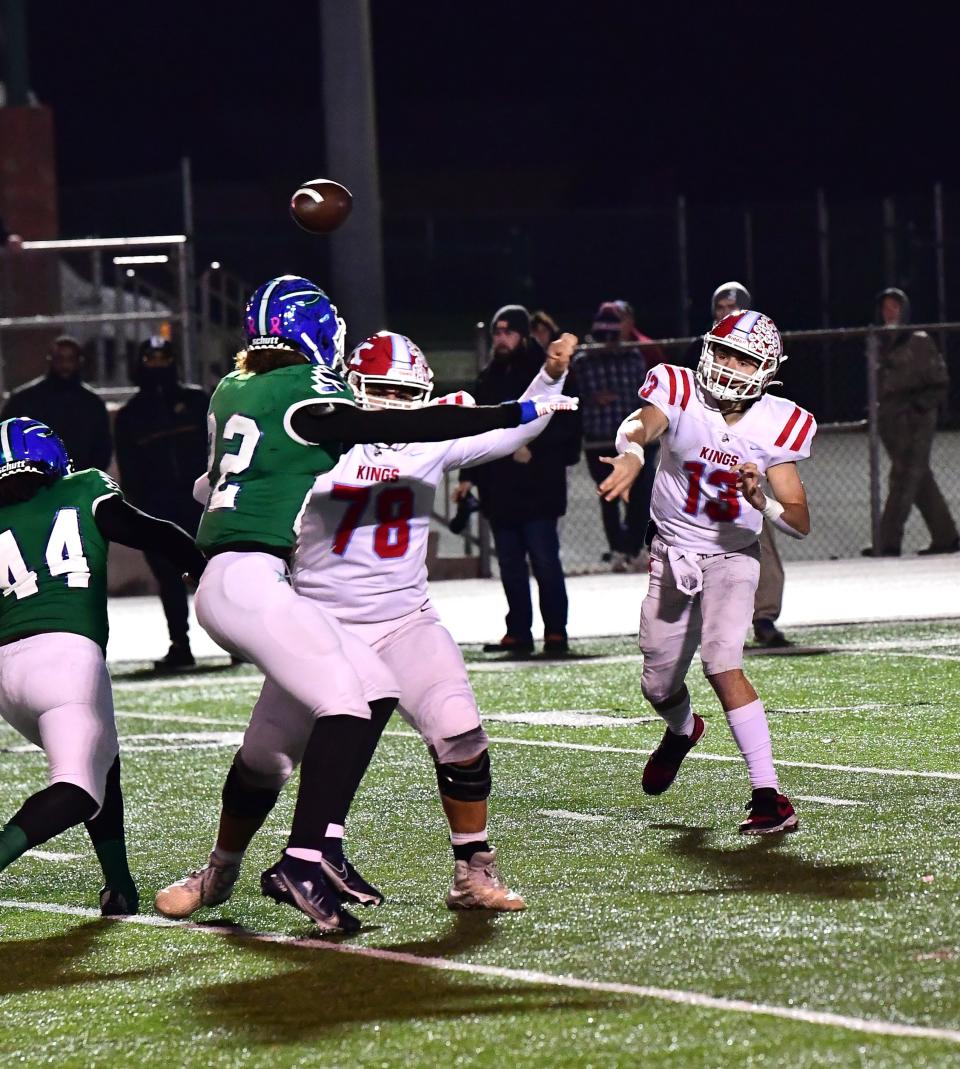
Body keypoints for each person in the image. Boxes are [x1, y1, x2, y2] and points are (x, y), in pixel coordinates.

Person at [153, 276, 577, 932]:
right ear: (350, 385)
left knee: (460, 732)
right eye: (380, 393)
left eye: (406, 397)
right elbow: (217, 481)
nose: (392, 408)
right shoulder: (316, 434)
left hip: (404, 618)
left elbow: (510, 430)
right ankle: (221, 870)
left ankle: (472, 869)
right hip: (317, 613)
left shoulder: (424, 434)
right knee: (263, 761)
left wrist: (548, 380)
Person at [598, 310, 815, 833]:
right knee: (657, 685)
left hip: (733, 556)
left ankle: (769, 795)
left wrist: (760, 499)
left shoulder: (776, 422)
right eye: (723, 350)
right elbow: (641, 423)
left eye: (743, 357)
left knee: (721, 661)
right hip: (671, 553)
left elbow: (800, 521)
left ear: (765, 369)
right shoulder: (677, 387)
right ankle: (681, 730)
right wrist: (629, 452)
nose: (728, 364)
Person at [0, 417, 205, 913]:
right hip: (68, 661)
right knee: (76, 787)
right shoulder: (83, 486)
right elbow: (149, 531)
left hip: (6, 673)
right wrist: (200, 563)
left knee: (101, 760)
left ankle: (119, 886)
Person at [454, 304, 581, 656]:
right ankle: (519, 632)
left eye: (508, 332)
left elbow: (570, 427)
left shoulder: (545, 372)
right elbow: (474, 428)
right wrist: (467, 476)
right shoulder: (489, 375)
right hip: (500, 488)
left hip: (538, 488)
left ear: (523, 335)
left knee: (544, 560)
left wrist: (534, 449)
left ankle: (556, 632)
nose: (501, 338)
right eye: (497, 332)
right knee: (509, 563)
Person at [114, 337, 209, 670]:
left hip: (199, 503)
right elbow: (129, 469)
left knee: (219, 573)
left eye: (162, 358)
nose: (157, 365)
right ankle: (180, 644)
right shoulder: (131, 415)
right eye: (150, 359)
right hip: (158, 507)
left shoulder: (197, 402)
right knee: (169, 579)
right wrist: (139, 512)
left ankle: (239, 643)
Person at [862, 287, 958, 557]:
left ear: (905, 310)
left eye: (895, 307)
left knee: (903, 479)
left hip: (916, 422)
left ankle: (888, 542)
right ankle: (947, 536)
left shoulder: (918, 340)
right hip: (891, 423)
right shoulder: (879, 340)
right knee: (919, 479)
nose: (889, 312)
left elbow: (939, 382)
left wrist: (919, 407)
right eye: (886, 307)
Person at [568, 300, 660, 572]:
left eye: (612, 336)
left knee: (641, 494)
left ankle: (634, 548)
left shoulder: (635, 355)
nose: (607, 343)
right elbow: (577, 395)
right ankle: (618, 548)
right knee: (609, 493)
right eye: (602, 337)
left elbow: (644, 393)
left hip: (635, 438)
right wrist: (593, 399)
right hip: (600, 437)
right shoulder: (584, 361)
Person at [1, 335, 112, 472]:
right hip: (35, 485)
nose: (65, 365)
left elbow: (102, 449)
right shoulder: (23, 400)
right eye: (60, 359)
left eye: (70, 359)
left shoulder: (92, 404)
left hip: (80, 484)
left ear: (79, 361)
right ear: (50, 360)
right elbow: (7, 441)